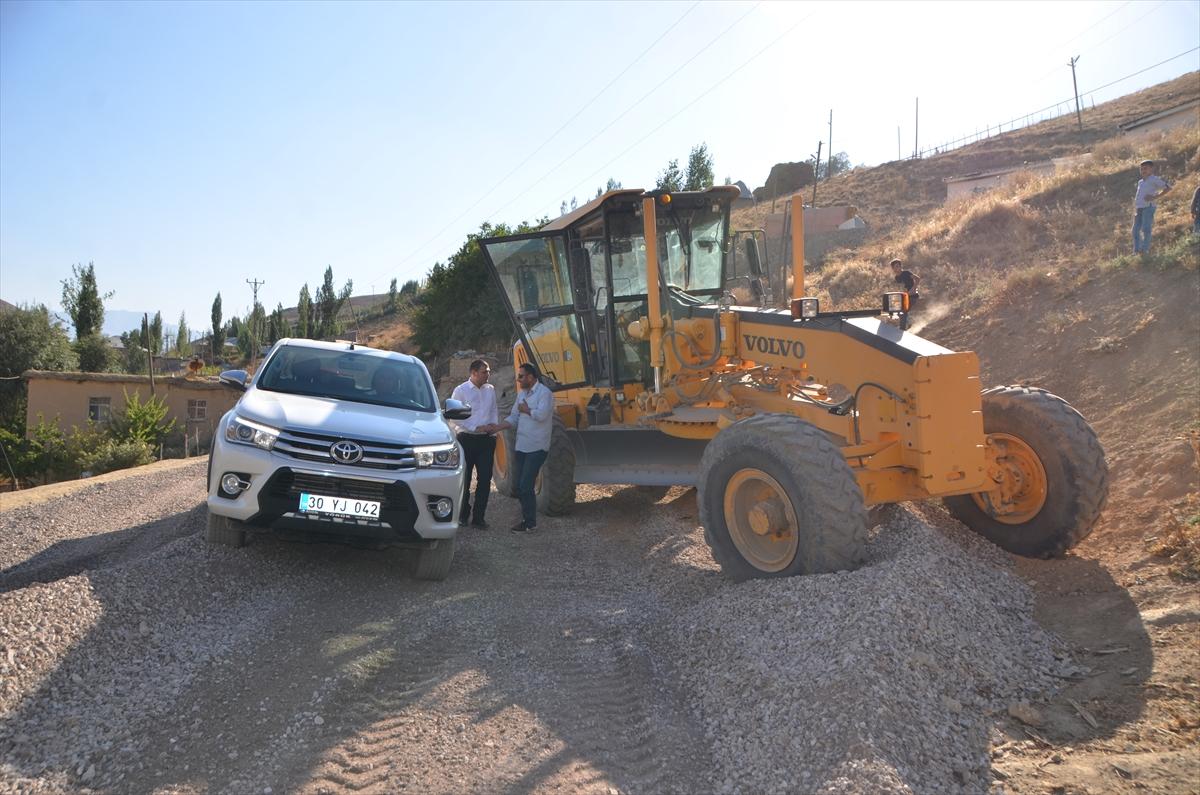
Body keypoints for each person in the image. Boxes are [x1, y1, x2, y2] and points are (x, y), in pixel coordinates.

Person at [493, 362, 554, 534]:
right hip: (522, 446)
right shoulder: (521, 395)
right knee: (520, 487)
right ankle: (527, 519)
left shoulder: (545, 394)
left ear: (531, 377)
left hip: (537, 447)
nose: (518, 379)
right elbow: (514, 417)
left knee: (526, 485)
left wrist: (527, 410)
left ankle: (530, 522)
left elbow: (542, 415)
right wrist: (498, 427)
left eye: (521, 376)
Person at [450, 359, 499, 529]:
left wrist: (493, 427)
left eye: (488, 371)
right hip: (466, 440)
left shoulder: (490, 389)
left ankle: (479, 517)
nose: (488, 374)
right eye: (485, 371)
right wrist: (475, 428)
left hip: (486, 440)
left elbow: (493, 410)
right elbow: (454, 416)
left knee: (485, 479)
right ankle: (463, 515)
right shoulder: (460, 391)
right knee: (464, 479)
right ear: (474, 373)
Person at [1132, 159, 1171, 254]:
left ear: (1151, 169)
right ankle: (1137, 250)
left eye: (1145, 168)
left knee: (1146, 228)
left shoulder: (1154, 179)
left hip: (1148, 207)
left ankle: (1145, 250)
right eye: (1141, 169)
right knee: (1135, 230)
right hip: (1139, 208)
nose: (1143, 171)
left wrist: (1155, 197)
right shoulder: (1140, 182)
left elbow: (1168, 188)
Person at [888, 259, 920, 330]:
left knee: (903, 311)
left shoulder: (906, 273)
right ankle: (909, 321)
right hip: (905, 296)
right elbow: (901, 287)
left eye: (897, 266)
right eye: (894, 267)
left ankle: (902, 329)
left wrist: (913, 288)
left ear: (900, 266)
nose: (896, 269)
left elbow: (917, 279)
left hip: (913, 296)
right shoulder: (897, 278)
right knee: (897, 310)